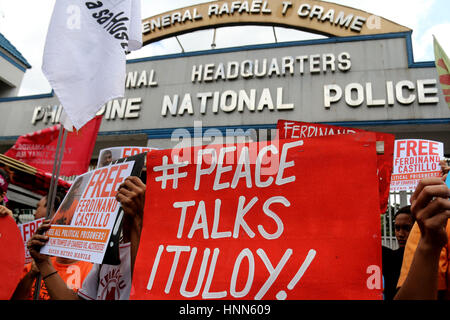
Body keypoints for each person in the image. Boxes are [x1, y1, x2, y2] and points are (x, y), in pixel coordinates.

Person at [26, 176, 146, 300]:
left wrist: (139, 218)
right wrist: (43, 263)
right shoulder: (108, 254)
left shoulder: (156, 252)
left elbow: (144, 288)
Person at [11, 193, 93, 300]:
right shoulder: (35, 264)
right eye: (61, 221)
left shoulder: (90, 272)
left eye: (69, 221)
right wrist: (32, 273)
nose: (63, 227)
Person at [395, 175, 450, 300]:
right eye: (397, 228)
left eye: (405, 228)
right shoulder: (439, 221)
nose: (400, 233)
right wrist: (430, 245)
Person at [382, 205, 415, 300]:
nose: (400, 234)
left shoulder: (429, 260)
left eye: (407, 228)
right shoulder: (389, 257)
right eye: (397, 228)